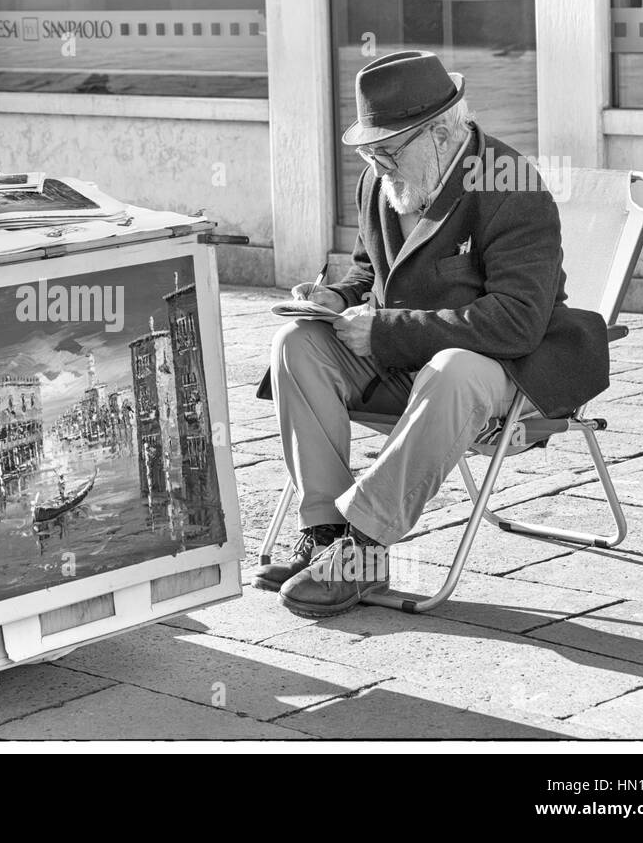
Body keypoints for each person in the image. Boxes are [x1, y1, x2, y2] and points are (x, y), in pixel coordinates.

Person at [258, 50, 608, 617]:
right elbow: (370, 271)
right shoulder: (382, 180)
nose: (377, 163)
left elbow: (517, 321)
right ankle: (325, 535)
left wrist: (385, 333)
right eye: (368, 150)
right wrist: (337, 298)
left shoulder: (510, 184)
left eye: (387, 148)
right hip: (403, 367)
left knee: (454, 369)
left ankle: (364, 547)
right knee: (295, 343)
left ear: (443, 134)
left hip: (502, 372)